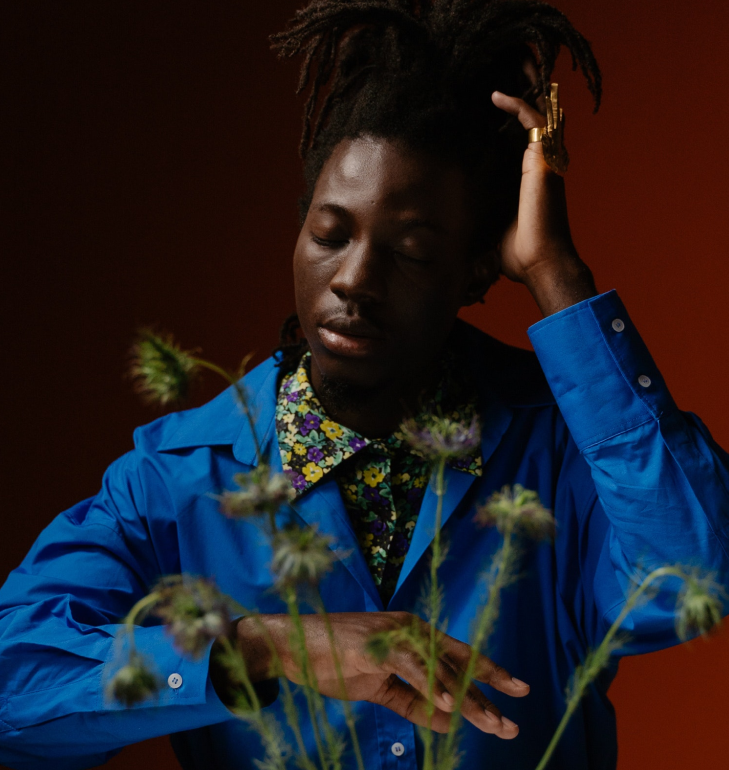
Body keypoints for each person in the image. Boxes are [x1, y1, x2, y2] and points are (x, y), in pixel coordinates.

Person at [0, 1, 727, 769]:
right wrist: (265, 648)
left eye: (410, 252)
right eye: (329, 234)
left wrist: (555, 273)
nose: (353, 278)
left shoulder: (559, 453)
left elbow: (698, 577)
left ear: (475, 271)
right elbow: (14, 689)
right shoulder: (171, 485)